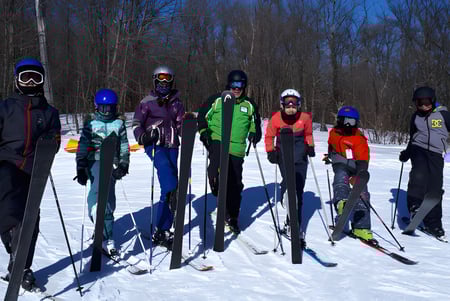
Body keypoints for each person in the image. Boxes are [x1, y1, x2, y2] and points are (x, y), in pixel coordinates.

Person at [0, 57, 61, 290]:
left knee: (31, 216)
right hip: (6, 162)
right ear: (17, 80)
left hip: (34, 168)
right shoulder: (5, 107)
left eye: (36, 77)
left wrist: (50, 141)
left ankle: (22, 264)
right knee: (7, 207)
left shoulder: (49, 112)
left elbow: (55, 136)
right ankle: (13, 242)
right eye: (26, 77)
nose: (31, 81)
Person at [197, 70, 262, 234]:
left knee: (235, 184)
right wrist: (204, 132)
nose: (236, 88)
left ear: (244, 86)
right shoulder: (217, 100)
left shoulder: (249, 105)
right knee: (216, 168)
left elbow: (256, 124)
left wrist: (255, 134)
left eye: (240, 85)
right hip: (217, 140)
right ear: (228, 84)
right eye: (233, 84)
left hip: (237, 148)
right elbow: (202, 116)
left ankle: (231, 216)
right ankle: (215, 182)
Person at [132, 66, 185, 249]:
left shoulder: (177, 103)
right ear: (155, 81)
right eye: (160, 80)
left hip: (173, 146)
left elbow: (180, 125)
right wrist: (144, 137)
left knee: (171, 189)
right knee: (169, 181)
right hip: (155, 145)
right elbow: (136, 123)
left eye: (167, 80)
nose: (164, 83)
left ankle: (163, 229)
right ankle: (162, 227)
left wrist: (190, 128)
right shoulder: (147, 102)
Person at [76, 88, 130, 255]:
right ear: (96, 107)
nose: (107, 112)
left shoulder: (119, 124)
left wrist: (123, 165)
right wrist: (80, 164)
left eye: (110, 108)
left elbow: (123, 146)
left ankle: (103, 226)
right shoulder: (90, 123)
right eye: (103, 108)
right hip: (94, 161)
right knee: (99, 192)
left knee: (110, 199)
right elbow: (83, 144)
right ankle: (105, 234)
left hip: (111, 163)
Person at [399, 86, 450, 239]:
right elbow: (412, 137)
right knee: (418, 175)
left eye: (426, 102)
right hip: (418, 149)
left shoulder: (444, 115)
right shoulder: (415, 117)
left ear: (432, 101)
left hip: (436, 154)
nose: (423, 106)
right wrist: (406, 154)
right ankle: (415, 206)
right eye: (419, 103)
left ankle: (434, 224)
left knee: (434, 188)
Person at [264, 89, 315, 236]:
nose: (291, 108)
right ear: (282, 105)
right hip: (284, 157)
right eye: (288, 104)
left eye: (294, 105)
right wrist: (270, 151)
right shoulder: (276, 118)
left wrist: (310, 146)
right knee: (289, 184)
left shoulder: (305, 118)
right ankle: (284, 192)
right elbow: (269, 136)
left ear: (298, 105)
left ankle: (293, 223)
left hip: (300, 157)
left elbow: (308, 134)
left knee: (298, 190)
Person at [325, 106, 373, 241]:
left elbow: (363, 159)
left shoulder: (358, 139)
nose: (348, 125)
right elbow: (331, 144)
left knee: (362, 191)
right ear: (339, 120)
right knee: (340, 177)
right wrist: (329, 155)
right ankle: (341, 202)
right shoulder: (333, 133)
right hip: (340, 164)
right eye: (345, 121)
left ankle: (361, 227)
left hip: (357, 166)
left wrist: (360, 174)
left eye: (351, 122)